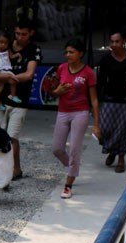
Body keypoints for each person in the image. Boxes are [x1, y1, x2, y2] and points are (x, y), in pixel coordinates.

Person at [49, 38, 100, 200]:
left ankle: (68, 184)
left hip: (81, 112)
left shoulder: (88, 73)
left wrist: (97, 124)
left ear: (81, 54)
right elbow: (54, 92)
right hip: (63, 111)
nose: (68, 55)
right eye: (66, 52)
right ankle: (72, 166)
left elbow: (94, 100)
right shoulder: (62, 68)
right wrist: (59, 91)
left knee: (75, 149)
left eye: (72, 52)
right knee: (57, 149)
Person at [0, 20, 41, 182]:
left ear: (31, 33)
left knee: (12, 137)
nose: (20, 37)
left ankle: (15, 168)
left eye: (24, 34)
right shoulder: (4, 44)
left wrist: (5, 78)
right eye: (17, 33)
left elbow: (29, 74)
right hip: (1, 99)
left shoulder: (34, 49)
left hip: (21, 100)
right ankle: (1, 168)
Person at [97, 30, 126, 174]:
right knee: (105, 128)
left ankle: (121, 158)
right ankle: (112, 150)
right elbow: (101, 81)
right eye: (112, 42)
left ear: (124, 41)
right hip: (110, 99)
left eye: (117, 41)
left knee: (124, 131)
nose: (114, 44)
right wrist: (96, 101)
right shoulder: (106, 59)